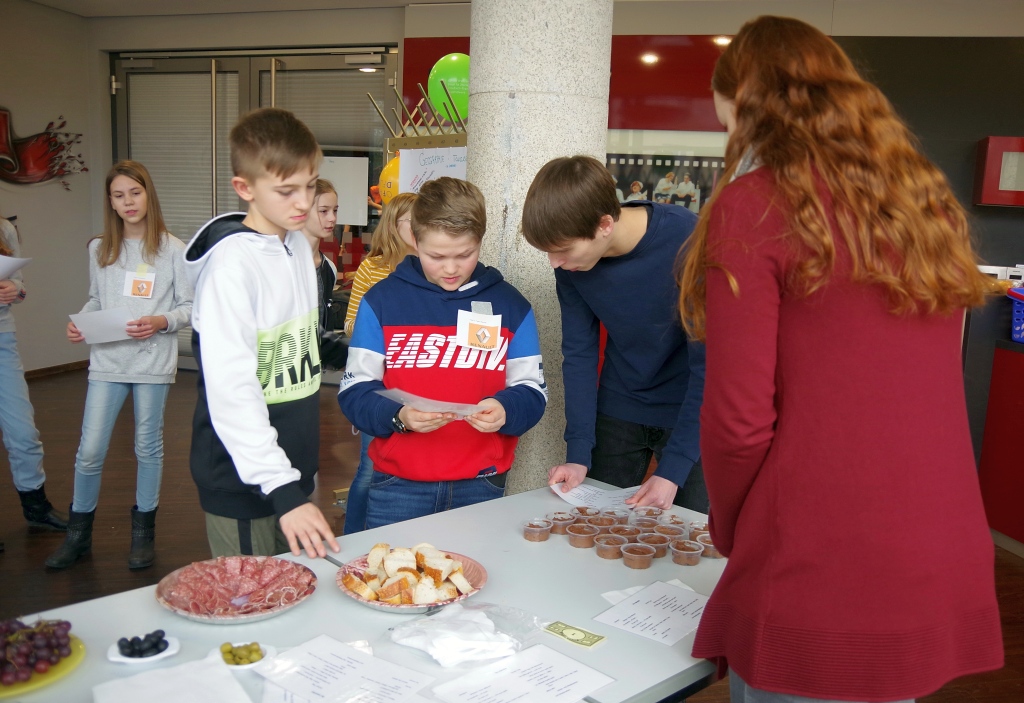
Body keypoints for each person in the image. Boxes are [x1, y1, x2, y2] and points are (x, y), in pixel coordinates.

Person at [677, 16, 1003, 702]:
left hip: (815, 550)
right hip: (930, 535)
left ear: (747, 105)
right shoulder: (923, 205)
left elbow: (738, 417)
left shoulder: (753, 206)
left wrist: (731, 522)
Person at [338, 177, 547, 529]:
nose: (451, 268)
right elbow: (354, 391)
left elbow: (533, 391)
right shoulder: (382, 302)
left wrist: (506, 409)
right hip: (398, 486)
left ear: (480, 241)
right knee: (395, 582)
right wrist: (398, 415)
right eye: (437, 256)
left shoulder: (511, 306)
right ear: (414, 241)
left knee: (479, 580)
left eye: (464, 254)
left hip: (481, 483)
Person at [184, 107, 340, 560]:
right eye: (286, 190)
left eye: (310, 186)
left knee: (291, 593)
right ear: (244, 188)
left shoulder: (295, 246)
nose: (303, 203)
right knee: (250, 602)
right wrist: (281, 487)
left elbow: (298, 344)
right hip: (242, 478)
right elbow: (233, 389)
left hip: (289, 471)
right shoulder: (231, 268)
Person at [521, 155, 706, 512]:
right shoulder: (573, 264)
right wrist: (577, 452)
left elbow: (710, 367)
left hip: (690, 409)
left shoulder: (689, 240)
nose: (555, 263)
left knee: (688, 539)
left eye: (562, 250)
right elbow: (578, 353)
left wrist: (674, 469)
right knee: (594, 526)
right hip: (621, 401)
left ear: (605, 224)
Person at [47, 161, 193, 570]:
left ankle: (143, 535)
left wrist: (161, 321)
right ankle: (78, 536)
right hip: (107, 360)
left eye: (135, 192)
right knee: (89, 451)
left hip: (152, 362)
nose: (128, 202)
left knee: (148, 449)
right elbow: (97, 299)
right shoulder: (100, 249)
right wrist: (79, 321)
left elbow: (190, 308)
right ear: (110, 201)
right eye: (118, 195)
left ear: (149, 194)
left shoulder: (173, 249)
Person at [340, 192, 417, 535]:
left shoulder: (433, 266)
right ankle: (354, 537)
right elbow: (350, 323)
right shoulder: (374, 267)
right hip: (379, 387)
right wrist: (389, 327)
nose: (420, 227)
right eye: (412, 221)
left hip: (420, 385)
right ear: (393, 224)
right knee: (370, 469)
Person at [0, 211, 67, 548]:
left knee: (23, 433)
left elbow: (22, 288)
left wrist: (14, 289)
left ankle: (36, 508)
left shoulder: (4, 228)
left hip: (2, 340)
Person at [298, 178, 347, 369]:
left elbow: (319, 331)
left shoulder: (328, 268)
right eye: (323, 211)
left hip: (311, 374)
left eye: (335, 210)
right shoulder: (282, 264)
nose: (332, 218)